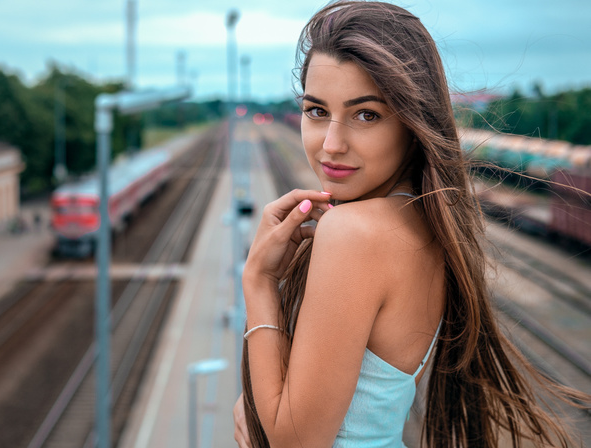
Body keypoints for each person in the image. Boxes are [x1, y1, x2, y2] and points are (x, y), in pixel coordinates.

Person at [234, 1, 588, 447]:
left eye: (367, 115)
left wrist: (259, 281)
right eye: (316, 111)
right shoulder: (422, 223)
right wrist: (264, 401)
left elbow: (294, 442)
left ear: (411, 121)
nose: (331, 143)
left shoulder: (355, 233)